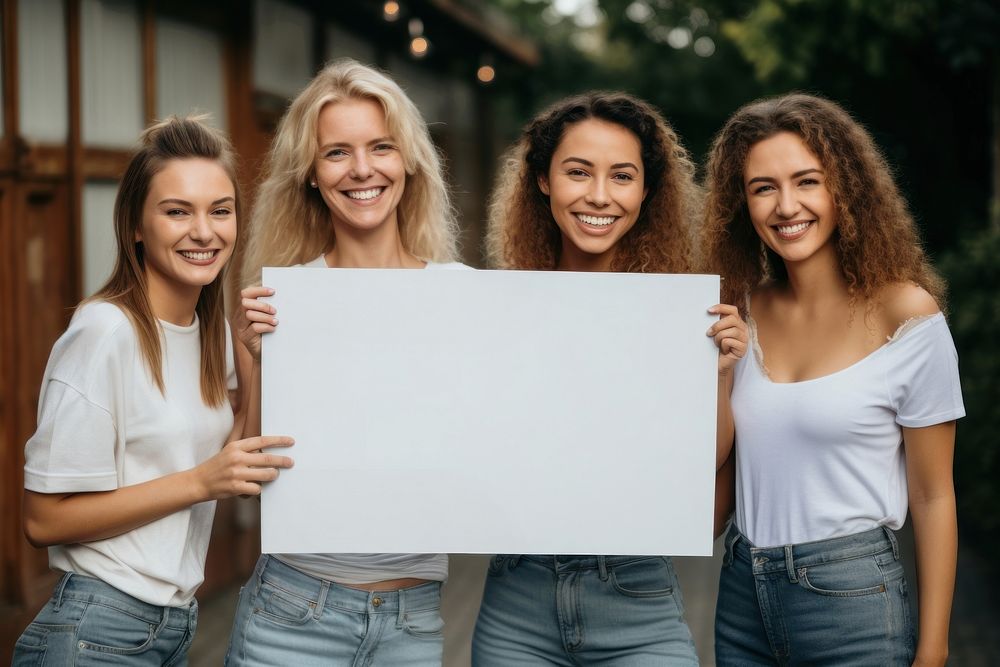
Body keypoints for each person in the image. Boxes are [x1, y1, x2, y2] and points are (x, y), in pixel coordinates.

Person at [471, 91, 746, 666]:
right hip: (518, 598)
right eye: (578, 172)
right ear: (543, 180)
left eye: (622, 176)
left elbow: (708, 459)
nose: (599, 195)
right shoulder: (497, 309)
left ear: (646, 192)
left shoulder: (681, 314)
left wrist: (718, 376)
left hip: (637, 593)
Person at [13, 116, 294, 666]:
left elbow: (241, 468)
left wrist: (256, 359)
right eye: (177, 211)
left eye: (220, 210)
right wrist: (196, 482)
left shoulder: (207, 327)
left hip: (171, 627)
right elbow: (42, 520)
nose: (204, 231)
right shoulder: (104, 333)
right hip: (98, 626)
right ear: (136, 226)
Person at [702, 93, 965, 666]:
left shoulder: (908, 315)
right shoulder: (736, 315)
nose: (785, 205)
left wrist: (934, 648)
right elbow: (716, 477)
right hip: (743, 590)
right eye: (762, 187)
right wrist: (720, 380)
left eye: (807, 181)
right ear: (741, 204)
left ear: (845, 187)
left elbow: (934, 494)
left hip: (853, 600)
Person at [226, 59, 467, 667]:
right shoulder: (281, 303)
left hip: (414, 620)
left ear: (409, 160)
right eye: (337, 153)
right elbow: (246, 482)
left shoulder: (461, 296)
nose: (362, 169)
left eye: (381, 147)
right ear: (309, 175)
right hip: (291, 611)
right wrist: (256, 362)